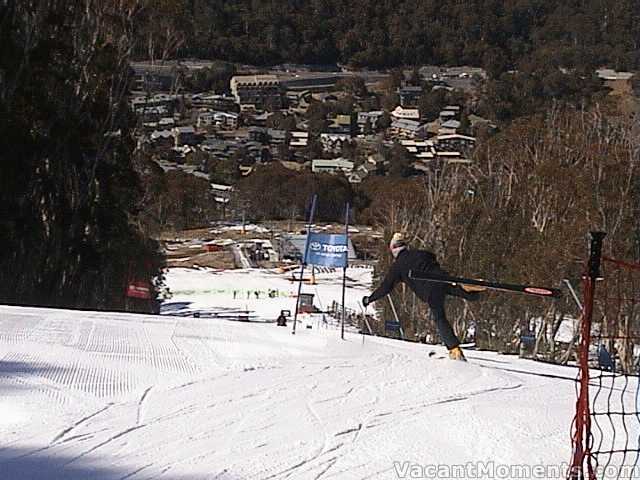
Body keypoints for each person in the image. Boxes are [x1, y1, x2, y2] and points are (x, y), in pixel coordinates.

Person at [362, 233, 483, 361]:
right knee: (459, 291)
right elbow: (431, 256)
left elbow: (385, 288)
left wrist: (370, 299)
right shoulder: (420, 254)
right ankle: (474, 292)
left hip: (430, 290)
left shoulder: (398, 266)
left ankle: (454, 349)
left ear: (393, 249)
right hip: (442, 278)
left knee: (439, 317)